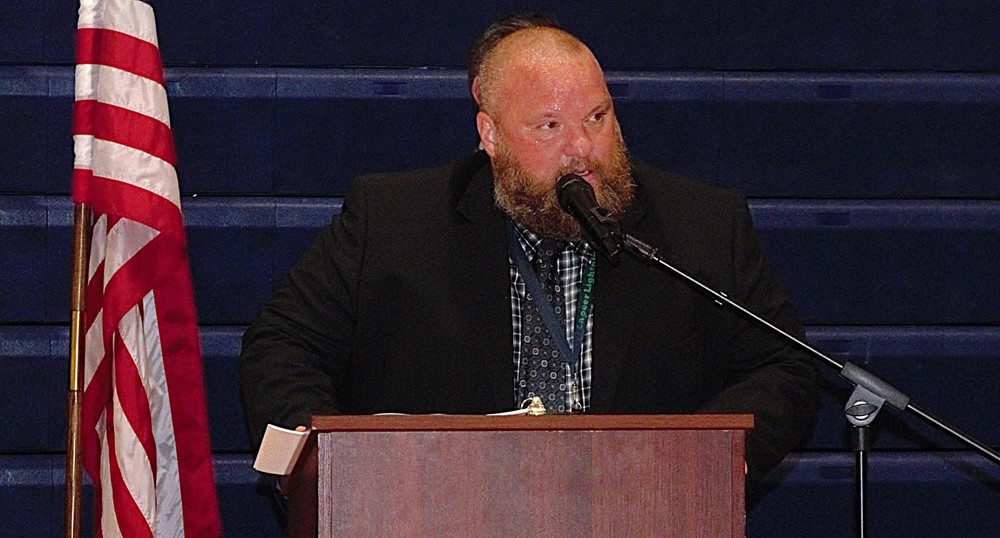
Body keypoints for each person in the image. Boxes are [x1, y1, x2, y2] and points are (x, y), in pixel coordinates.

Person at [240, 13, 820, 483]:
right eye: (549, 126)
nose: (582, 149)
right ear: (490, 134)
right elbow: (281, 347)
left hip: (641, 512)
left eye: (597, 117)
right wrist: (330, 472)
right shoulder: (394, 221)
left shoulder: (701, 226)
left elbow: (786, 367)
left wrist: (702, 463)